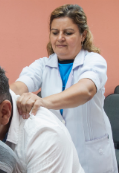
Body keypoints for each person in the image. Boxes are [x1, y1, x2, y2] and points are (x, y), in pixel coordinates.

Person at [10, 4, 118, 173]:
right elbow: (19, 86)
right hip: (57, 151)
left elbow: (86, 90)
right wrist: (4, 95)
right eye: (55, 32)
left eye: (68, 33)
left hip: (91, 155)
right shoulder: (43, 65)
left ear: (83, 35)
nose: (60, 38)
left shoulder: (93, 61)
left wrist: (42, 101)